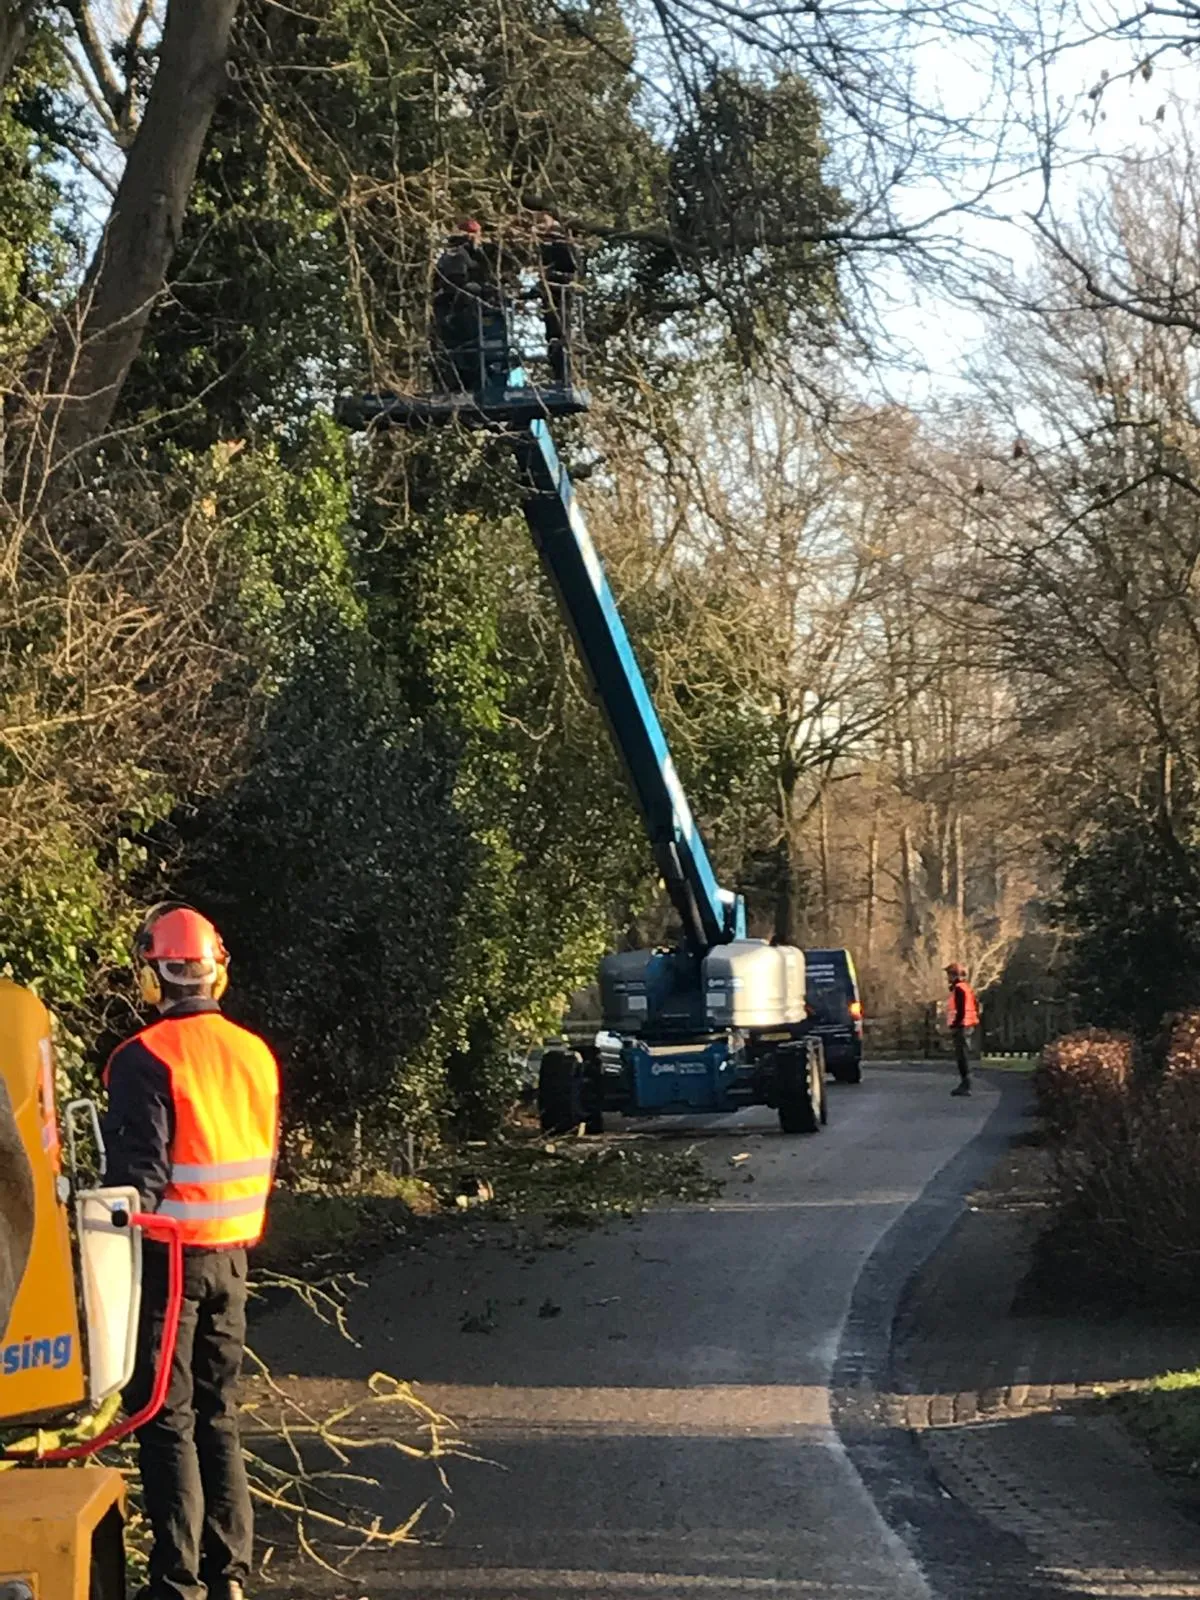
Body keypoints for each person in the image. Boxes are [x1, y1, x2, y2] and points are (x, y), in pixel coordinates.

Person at [103, 903, 280, 1600]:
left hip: (169, 1262)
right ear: (217, 972)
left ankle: (177, 1581)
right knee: (218, 1413)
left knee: (163, 1416)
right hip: (232, 1258)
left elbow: (135, 1186)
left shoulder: (142, 1059)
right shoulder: (254, 1053)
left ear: (154, 979)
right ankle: (228, 1573)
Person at [433, 217, 505, 390]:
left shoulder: (473, 254)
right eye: (477, 234)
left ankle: (476, 380)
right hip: (457, 312)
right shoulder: (456, 253)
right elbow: (457, 282)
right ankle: (463, 383)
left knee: (473, 350)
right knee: (462, 352)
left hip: (469, 311)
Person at [535, 212, 583, 382]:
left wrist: (549, 274)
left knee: (558, 336)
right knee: (554, 337)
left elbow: (569, 270)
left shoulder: (560, 244)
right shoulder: (553, 243)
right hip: (552, 299)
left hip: (559, 298)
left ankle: (562, 376)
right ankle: (560, 375)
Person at [945, 961, 980, 1097]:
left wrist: (956, 1024)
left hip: (962, 1026)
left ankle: (966, 1084)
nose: (948, 977)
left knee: (962, 1057)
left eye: (949, 975)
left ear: (954, 975)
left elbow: (960, 1010)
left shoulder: (959, 989)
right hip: (968, 1025)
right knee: (963, 1055)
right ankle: (965, 1083)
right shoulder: (966, 988)